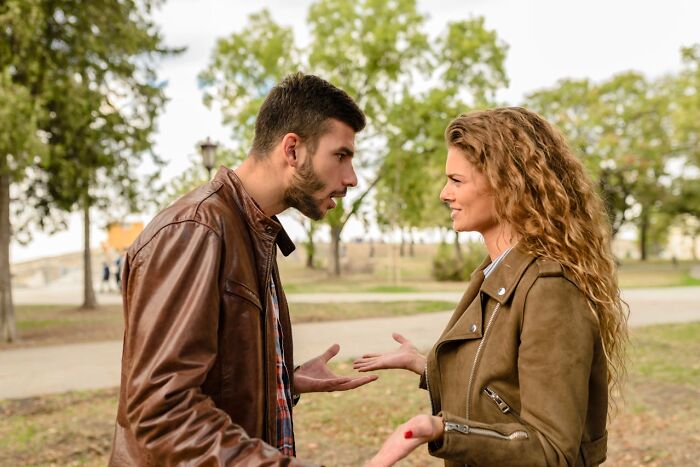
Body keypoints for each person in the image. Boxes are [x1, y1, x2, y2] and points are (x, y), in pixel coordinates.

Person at [109, 72, 377, 466]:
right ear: (292, 150)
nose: (351, 179)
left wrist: (284, 381)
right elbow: (160, 412)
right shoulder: (196, 230)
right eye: (341, 155)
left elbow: (214, 380)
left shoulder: (253, 230)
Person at [356, 107, 628, 467]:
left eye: (456, 180)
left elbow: (551, 451)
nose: (443, 194)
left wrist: (443, 431)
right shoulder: (496, 273)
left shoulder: (550, 289)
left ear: (506, 184)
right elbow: (501, 390)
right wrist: (426, 367)